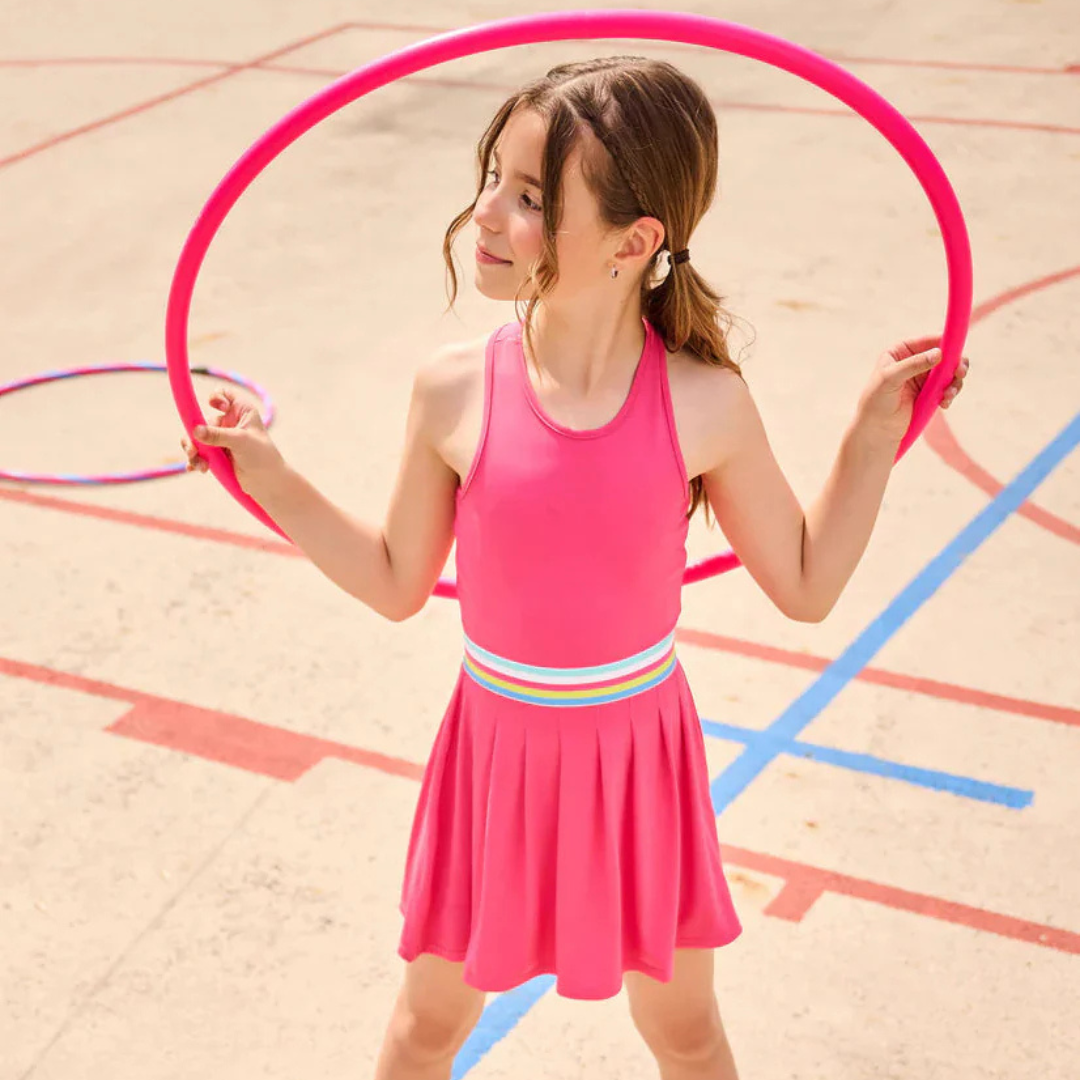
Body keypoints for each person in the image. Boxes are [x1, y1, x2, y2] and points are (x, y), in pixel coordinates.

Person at [182, 55, 969, 1080]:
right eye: (490, 179)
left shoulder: (702, 403)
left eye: (530, 198)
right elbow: (394, 582)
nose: (486, 214)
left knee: (684, 1032)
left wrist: (871, 436)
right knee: (426, 1028)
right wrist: (270, 476)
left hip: (637, 762)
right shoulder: (456, 389)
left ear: (635, 242)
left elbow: (808, 585)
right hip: (495, 757)